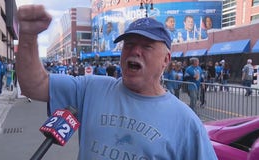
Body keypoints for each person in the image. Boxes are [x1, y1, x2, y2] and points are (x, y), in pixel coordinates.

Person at [16, 5, 217, 159]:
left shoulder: (186, 123)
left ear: (166, 59)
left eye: (146, 46)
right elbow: (34, 85)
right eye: (128, 44)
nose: (134, 51)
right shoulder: (90, 89)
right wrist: (27, 36)